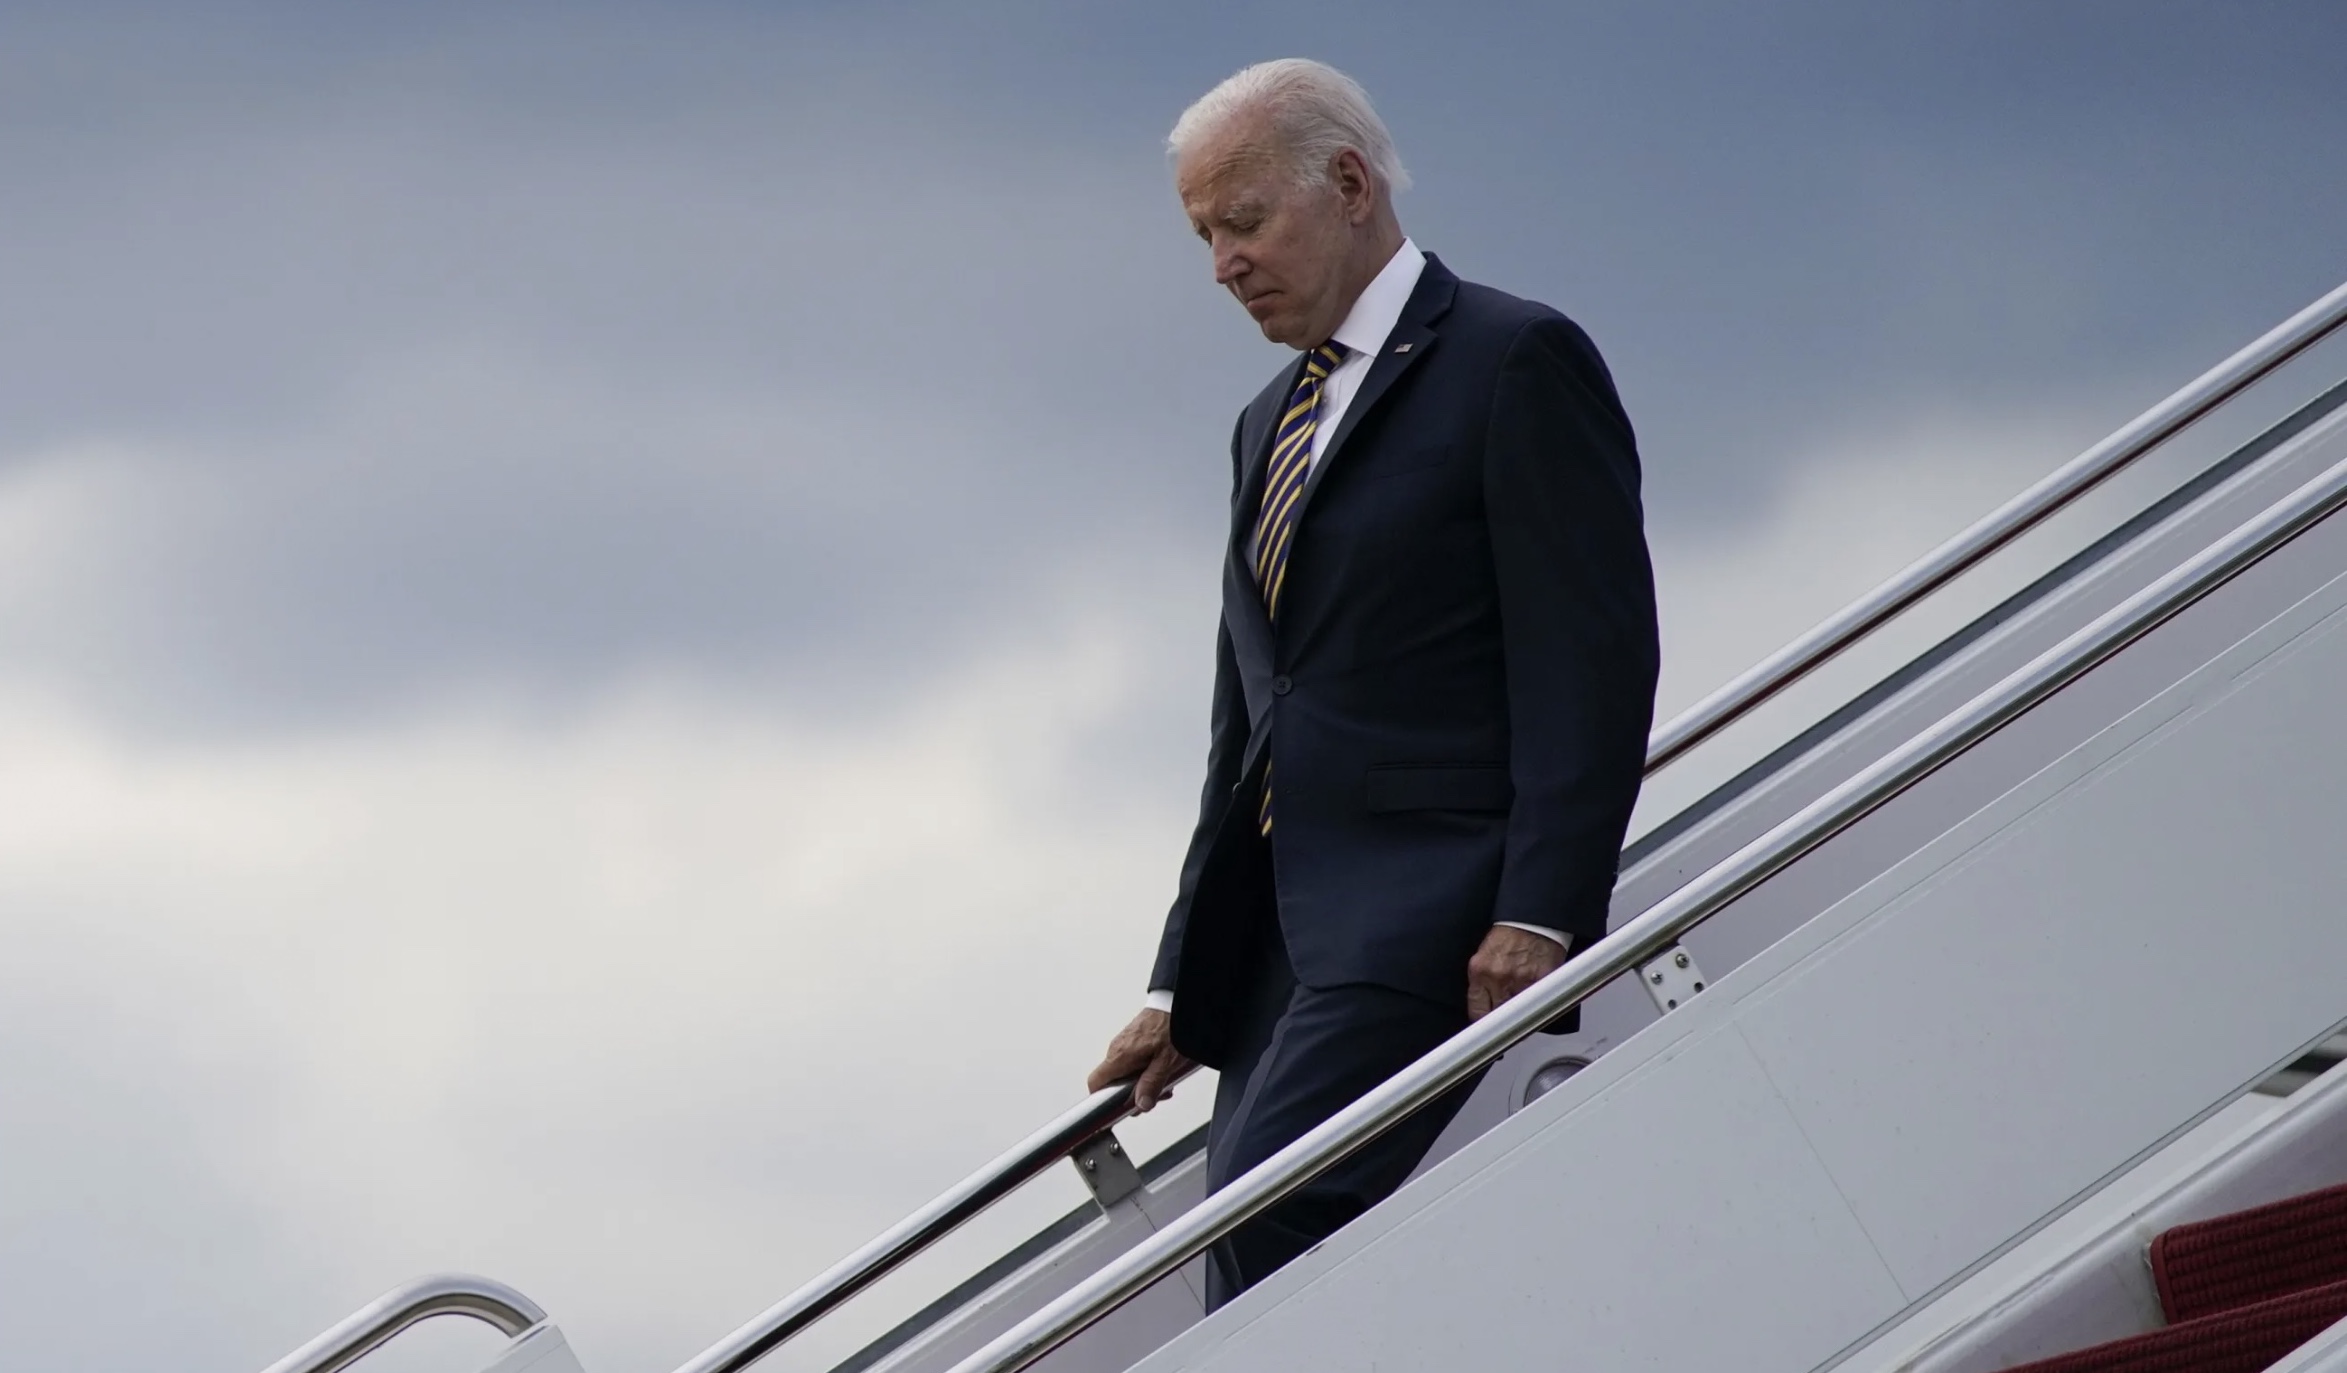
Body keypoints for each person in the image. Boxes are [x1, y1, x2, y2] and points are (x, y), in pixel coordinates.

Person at [1087, 57, 1660, 1308]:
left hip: (1431, 900)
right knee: (1238, 1249)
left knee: (1276, 1209)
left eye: (1243, 221)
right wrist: (1184, 977)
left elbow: (1592, 654)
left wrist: (1547, 906)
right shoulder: (1263, 423)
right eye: (1203, 236)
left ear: (1348, 184)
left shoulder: (1514, 360)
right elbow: (1247, 724)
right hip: (1287, 935)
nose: (1222, 264)